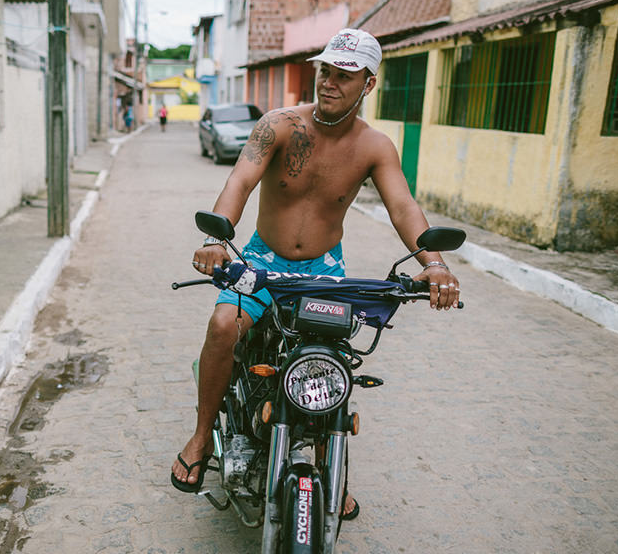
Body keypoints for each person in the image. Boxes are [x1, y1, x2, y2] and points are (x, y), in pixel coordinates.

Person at [170, 29, 461, 521]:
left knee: (332, 359)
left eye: (344, 76)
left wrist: (433, 263)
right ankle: (201, 439)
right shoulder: (278, 125)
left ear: (367, 84)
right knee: (223, 327)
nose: (329, 83)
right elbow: (239, 179)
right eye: (325, 71)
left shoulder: (375, 146)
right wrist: (217, 240)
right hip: (262, 259)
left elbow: (403, 206)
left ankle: (332, 465)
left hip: (325, 269)